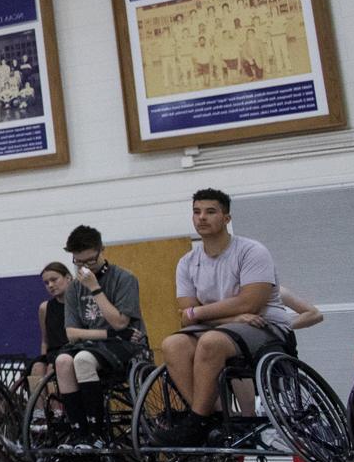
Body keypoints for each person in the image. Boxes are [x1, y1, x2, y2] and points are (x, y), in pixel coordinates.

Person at [156, 189, 292, 446]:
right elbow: (186, 316)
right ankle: (213, 417)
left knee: (211, 342)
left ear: (227, 217)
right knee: (172, 344)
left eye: (210, 211)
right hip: (223, 327)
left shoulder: (252, 251)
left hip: (265, 326)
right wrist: (228, 316)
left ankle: (195, 422)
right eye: (196, 212)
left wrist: (200, 313)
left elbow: (252, 302)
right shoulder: (187, 262)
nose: (202, 218)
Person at [53, 226, 145, 440]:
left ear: (102, 250)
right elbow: (72, 333)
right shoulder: (74, 288)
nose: (85, 268)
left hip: (127, 346)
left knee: (83, 360)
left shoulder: (124, 278)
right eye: (79, 262)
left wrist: (95, 288)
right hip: (100, 342)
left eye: (90, 261)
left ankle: (97, 433)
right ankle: (79, 433)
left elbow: (120, 322)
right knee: (63, 362)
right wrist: (108, 335)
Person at [33, 262, 70, 392]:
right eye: (46, 283)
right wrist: (44, 357)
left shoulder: (78, 303)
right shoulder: (45, 307)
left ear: (68, 278)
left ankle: (57, 409)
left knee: (51, 368)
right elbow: (45, 340)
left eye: (54, 280)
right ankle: (39, 411)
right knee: (37, 368)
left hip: (72, 350)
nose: (51, 285)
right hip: (53, 351)